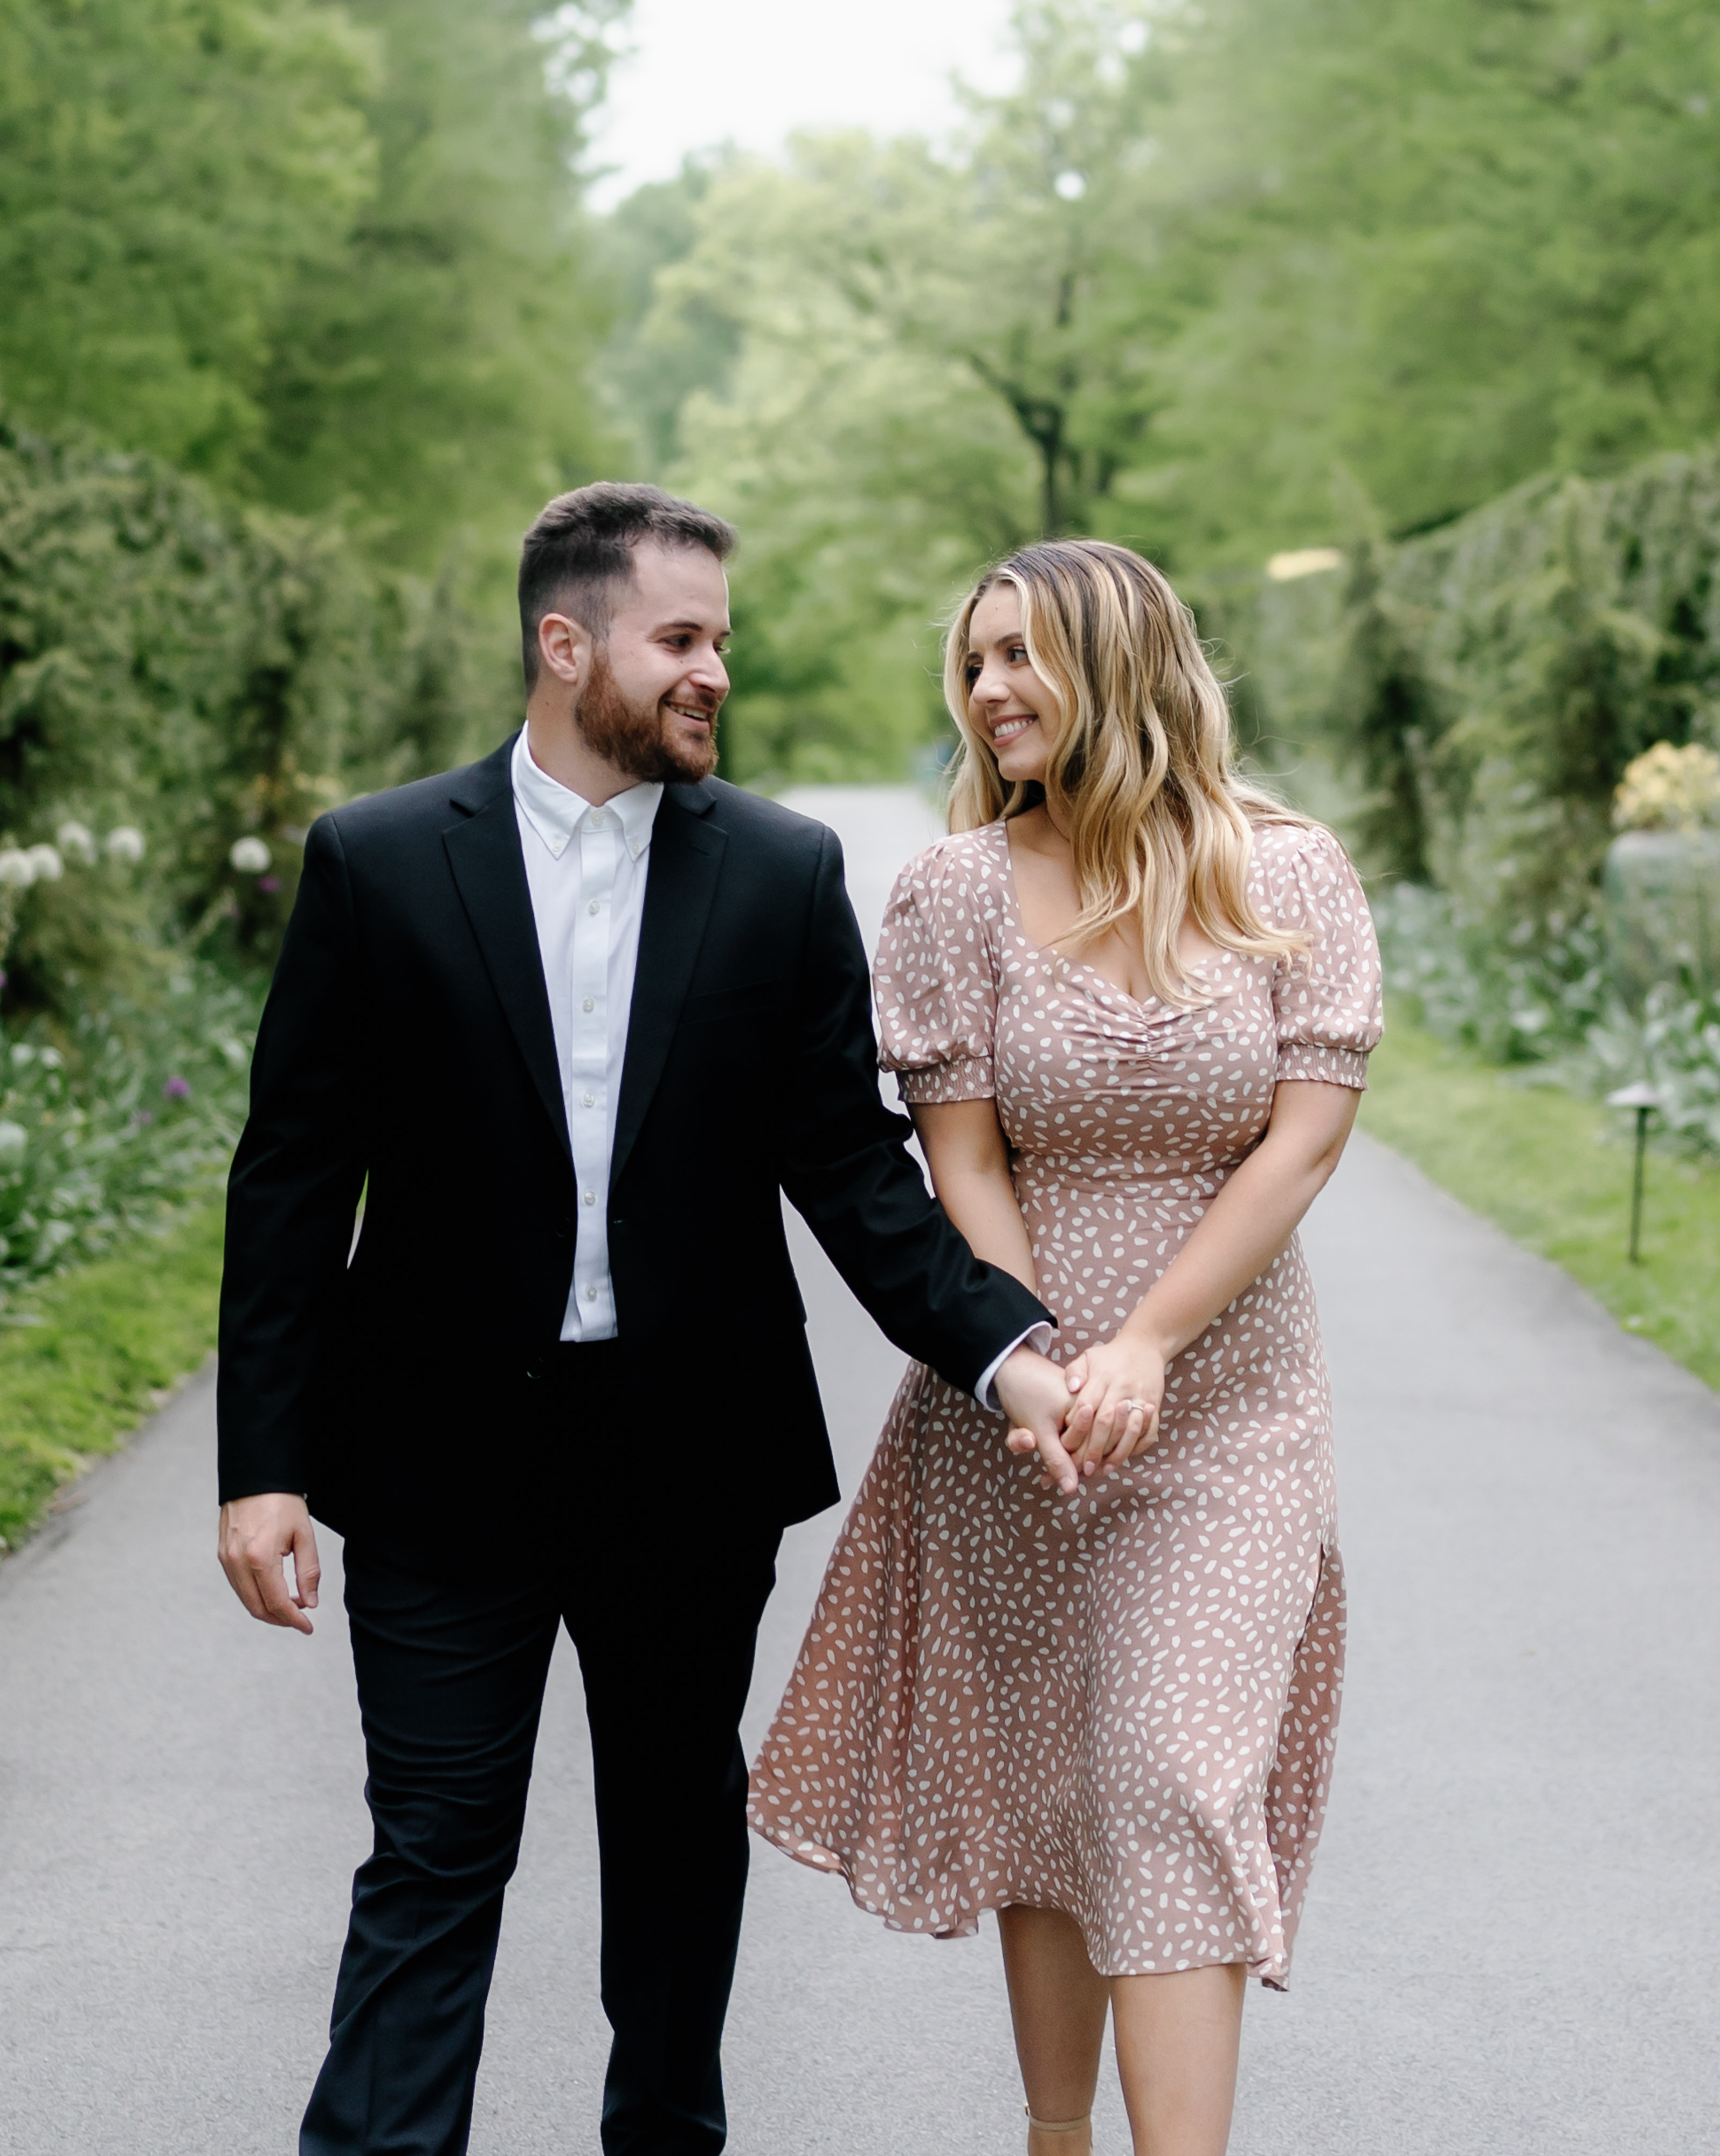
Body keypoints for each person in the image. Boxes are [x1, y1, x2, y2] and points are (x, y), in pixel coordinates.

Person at [213, 482, 1090, 2156]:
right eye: (680, 640)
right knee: (436, 1845)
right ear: (567, 645)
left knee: (680, 1846)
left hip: (689, 1466)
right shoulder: (379, 862)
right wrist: (263, 1467)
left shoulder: (779, 871)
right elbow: (293, 1181)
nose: (712, 676)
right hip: (436, 1464)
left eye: (722, 645)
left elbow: (855, 1174)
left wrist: (1010, 1353)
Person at [747, 538, 1382, 2156]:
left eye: (1022, 656)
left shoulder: (1286, 872)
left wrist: (1153, 1344)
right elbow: (961, 1159)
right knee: (1053, 1779)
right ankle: (1056, 2137)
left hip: (1226, 1404)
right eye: (973, 666)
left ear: (1122, 661)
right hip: (1017, 1410)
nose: (991, 693)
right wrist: (1032, 1362)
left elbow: (1301, 1145)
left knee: (1170, 1775)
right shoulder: (954, 893)